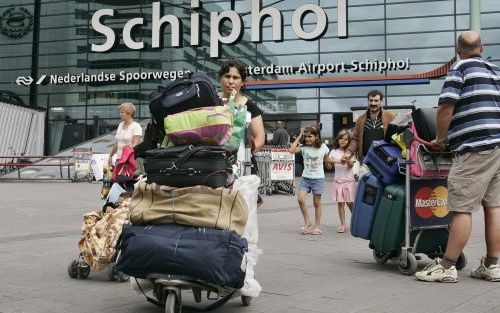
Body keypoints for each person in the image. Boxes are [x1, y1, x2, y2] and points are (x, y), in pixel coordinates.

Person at [415, 31, 500, 283]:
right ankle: (492, 265)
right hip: (498, 145)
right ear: (481, 48)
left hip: (475, 146)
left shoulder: (459, 68)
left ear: (458, 49)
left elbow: (446, 106)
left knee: (461, 207)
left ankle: (447, 266)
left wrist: (441, 139)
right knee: (493, 206)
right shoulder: (495, 71)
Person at [218, 59, 265, 174]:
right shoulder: (212, 101)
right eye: (227, 76)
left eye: (235, 77)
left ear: (243, 81)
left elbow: (260, 138)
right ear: (220, 79)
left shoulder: (250, 106)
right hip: (216, 163)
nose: (230, 81)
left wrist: (245, 150)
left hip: (244, 166)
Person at [289, 126, 335, 235]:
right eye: (306, 137)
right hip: (306, 178)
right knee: (300, 199)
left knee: (316, 203)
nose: (307, 139)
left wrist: (338, 161)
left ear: (317, 136)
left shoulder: (323, 147)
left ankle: (317, 226)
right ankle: (307, 221)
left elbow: (327, 159)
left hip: (318, 178)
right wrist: (299, 137)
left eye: (310, 136)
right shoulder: (303, 147)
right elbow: (291, 150)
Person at [342, 90, 394, 164]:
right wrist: (348, 152)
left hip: (385, 161)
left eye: (376, 100)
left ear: (381, 102)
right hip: (366, 160)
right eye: (371, 100)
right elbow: (355, 139)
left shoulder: (390, 117)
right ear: (368, 101)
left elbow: (395, 138)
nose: (373, 103)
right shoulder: (360, 119)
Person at [327, 129, 357, 233]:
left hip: (349, 181)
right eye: (341, 139)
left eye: (345, 139)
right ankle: (343, 225)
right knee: (340, 204)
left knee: (350, 203)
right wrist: (328, 161)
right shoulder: (333, 151)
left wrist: (347, 160)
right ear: (337, 140)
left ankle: (356, 221)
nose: (343, 141)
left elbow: (351, 165)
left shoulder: (350, 152)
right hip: (338, 181)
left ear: (349, 141)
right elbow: (329, 165)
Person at [108, 102, 142, 167]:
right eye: (120, 112)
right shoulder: (120, 125)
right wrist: (110, 156)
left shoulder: (136, 126)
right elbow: (117, 143)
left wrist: (127, 158)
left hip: (130, 161)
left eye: (122, 112)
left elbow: (135, 145)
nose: (120, 114)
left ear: (129, 114)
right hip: (119, 160)